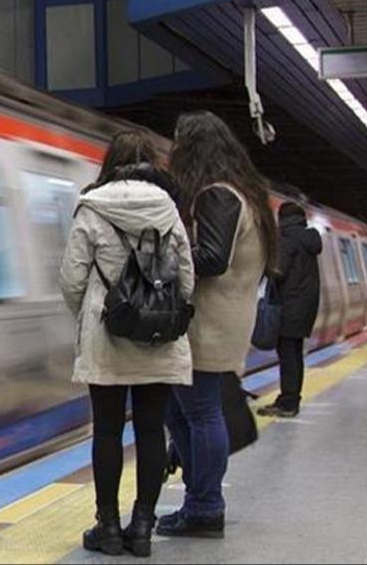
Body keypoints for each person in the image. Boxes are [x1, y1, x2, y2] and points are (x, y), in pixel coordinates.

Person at [60, 130, 195, 558]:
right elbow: (188, 281)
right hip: (157, 338)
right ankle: (142, 527)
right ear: (152, 164)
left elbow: (72, 280)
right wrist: (160, 308)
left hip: (106, 336)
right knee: (152, 429)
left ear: (110, 163)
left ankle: (109, 528)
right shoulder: (169, 210)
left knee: (108, 431)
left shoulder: (92, 208)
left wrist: (93, 312)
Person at [159, 111, 277, 539]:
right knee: (182, 411)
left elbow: (211, 258)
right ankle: (199, 500)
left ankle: (206, 506)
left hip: (210, 323)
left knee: (200, 413)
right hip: (225, 318)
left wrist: (167, 257)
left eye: (179, 143)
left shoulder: (217, 195)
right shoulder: (246, 194)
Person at [258, 202, 322, 418]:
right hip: (304, 308)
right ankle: (292, 398)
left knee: (287, 356)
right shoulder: (308, 239)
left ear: (281, 218)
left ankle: (288, 403)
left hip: (289, 307)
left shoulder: (287, 239)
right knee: (294, 354)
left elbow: (278, 271)